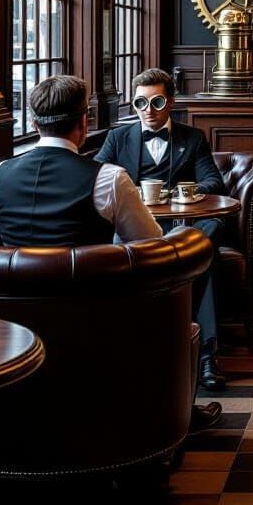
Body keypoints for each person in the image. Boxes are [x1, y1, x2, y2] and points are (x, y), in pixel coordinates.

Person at [0, 74, 221, 430]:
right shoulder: (108, 178)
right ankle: (175, 413)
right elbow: (150, 244)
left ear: (32, 123)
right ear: (84, 122)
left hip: (12, 320)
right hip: (95, 315)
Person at [96, 67, 228, 391]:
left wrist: (181, 193)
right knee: (199, 260)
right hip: (135, 226)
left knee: (205, 241)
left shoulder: (192, 137)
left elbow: (213, 181)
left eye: (156, 102)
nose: (148, 111)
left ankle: (207, 357)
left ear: (170, 102)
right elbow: (95, 177)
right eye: (140, 103)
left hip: (185, 223)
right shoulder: (117, 138)